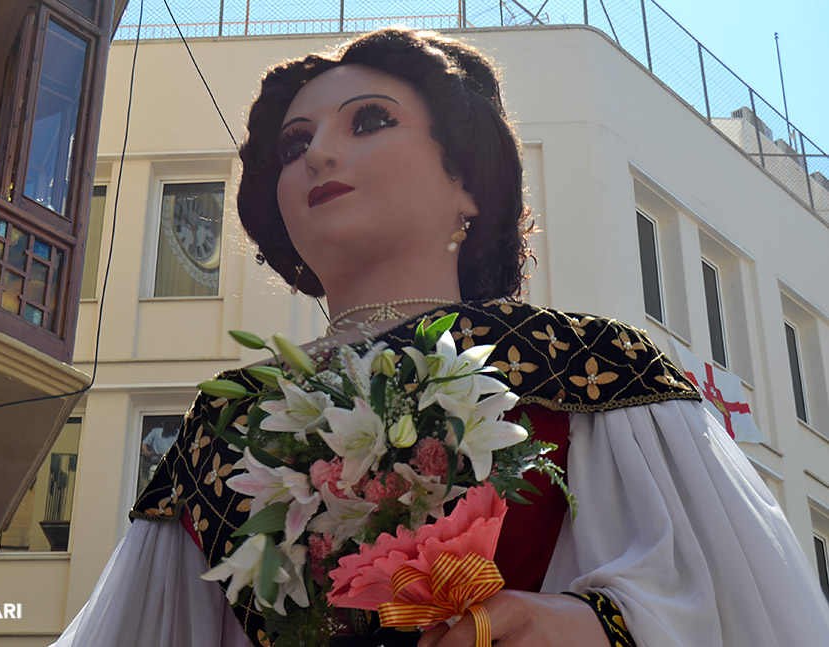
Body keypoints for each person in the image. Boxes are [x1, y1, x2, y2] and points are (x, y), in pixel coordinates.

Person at [52, 28, 829, 647]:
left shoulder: (590, 364)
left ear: (467, 179)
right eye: (295, 144)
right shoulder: (221, 428)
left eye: (369, 121)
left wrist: (593, 624)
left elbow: (732, 603)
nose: (320, 151)